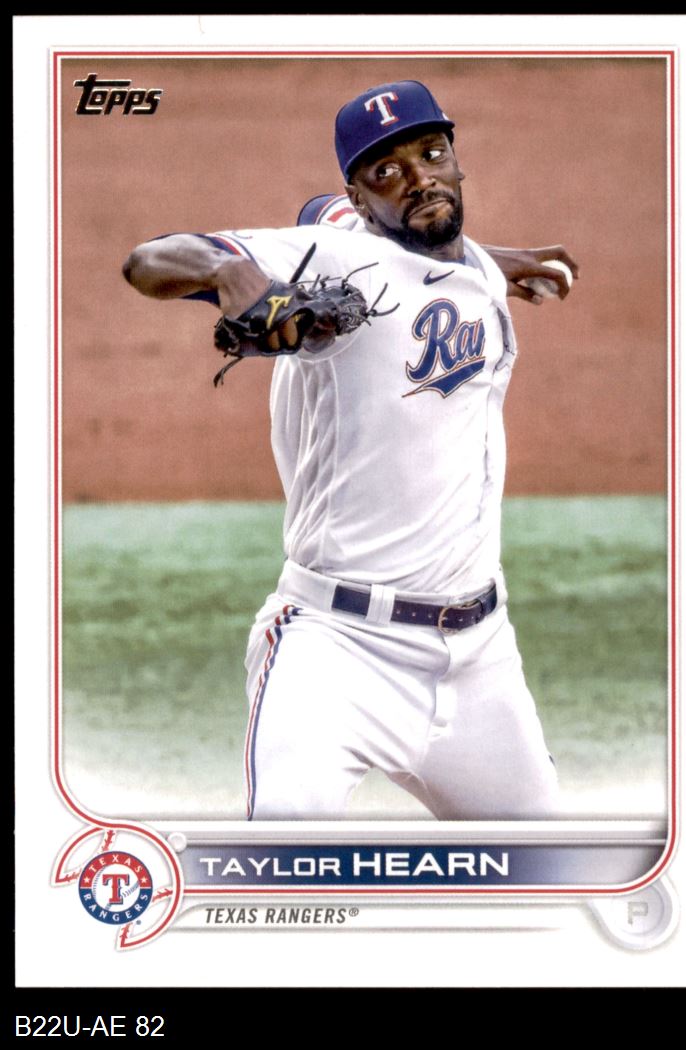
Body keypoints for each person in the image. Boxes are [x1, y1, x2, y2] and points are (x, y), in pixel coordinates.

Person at [123, 80, 577, 821]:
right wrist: (226, 271)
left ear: (456, 158)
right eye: (386, 171)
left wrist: (493, 260)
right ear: (360, 199)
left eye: (432, 153)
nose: (419, 178)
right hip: (337, 648)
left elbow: (342, 217)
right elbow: (149, 261)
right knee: (282, 862)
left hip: (480, 658)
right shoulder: (335, 258)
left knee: (552, 868)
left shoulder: (469, 269)